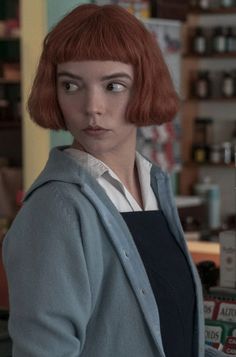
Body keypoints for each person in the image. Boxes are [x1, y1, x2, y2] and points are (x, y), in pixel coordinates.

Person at [2, 4, 230, 357]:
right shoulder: (56, 211)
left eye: (113, 85)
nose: (93, 106)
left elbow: (169, 336)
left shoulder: (153, 187)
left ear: (144, 88)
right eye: (71, 85)